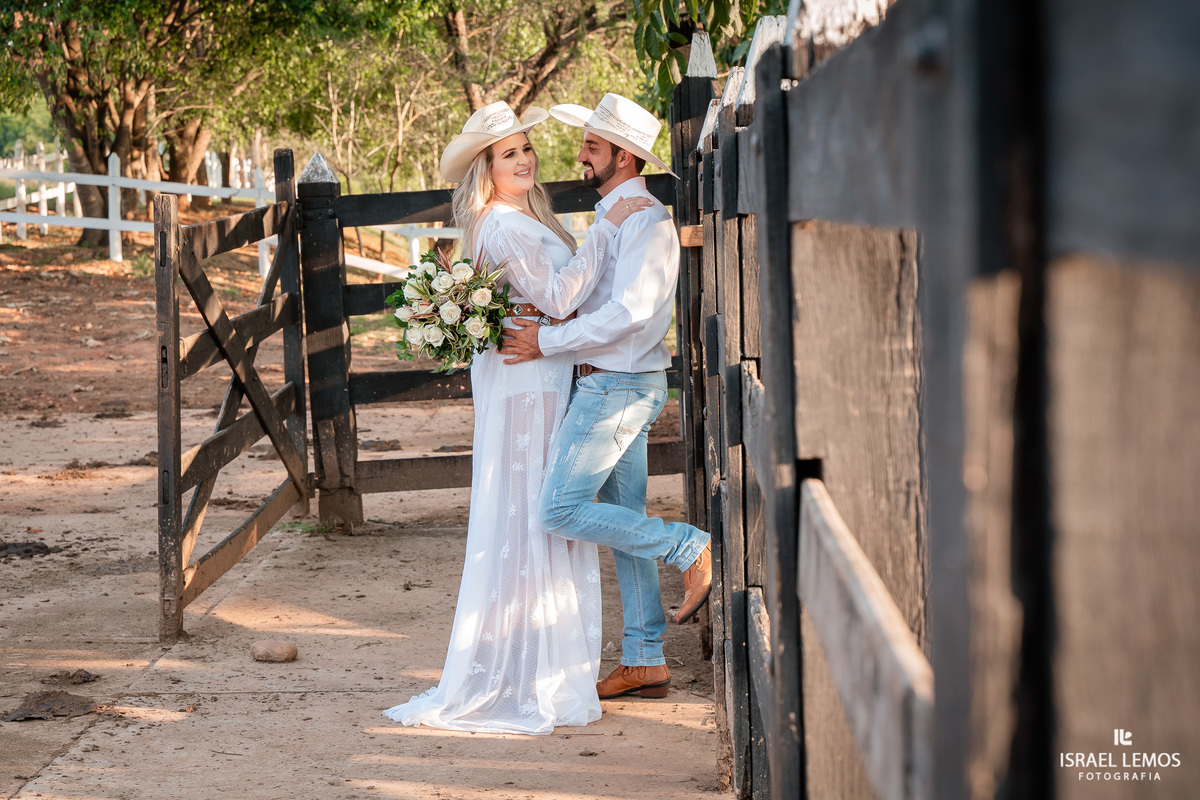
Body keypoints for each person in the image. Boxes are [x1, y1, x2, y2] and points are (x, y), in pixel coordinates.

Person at [382, 101, 651, 734]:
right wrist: (608, 229)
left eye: (527, 148)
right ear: (487, 170)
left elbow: (555, 301)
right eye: (509, 154)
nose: (525, 159)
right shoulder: (502, 227)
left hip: (544, 371)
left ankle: (547, 664)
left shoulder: (526, 221)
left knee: (546, 507)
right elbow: (558, 297)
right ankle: (528, 672)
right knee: (538, 509)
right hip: (527, 381)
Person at [500, 93, 713, 701]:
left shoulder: (643, 217)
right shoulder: (616, 217)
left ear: (624, 156)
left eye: (592, 146)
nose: (581, 155)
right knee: (625, 525)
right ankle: (644, 656)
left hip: (615, 386)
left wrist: (547, 341)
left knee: (558, 510)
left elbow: (631, 312)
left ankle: (689, 546)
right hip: (611, 383)